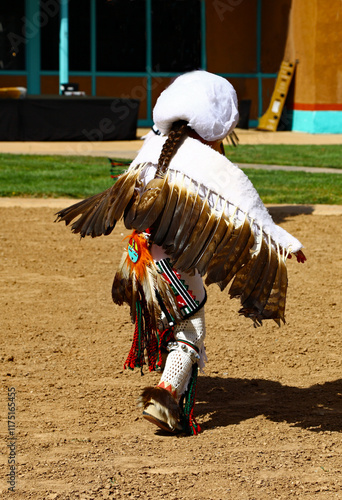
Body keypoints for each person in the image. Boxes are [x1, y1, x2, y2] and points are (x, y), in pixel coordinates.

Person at [56, 70, 306, 435]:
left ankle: (173, 396)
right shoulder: (212, 165)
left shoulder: (151, 148)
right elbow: (249, 212)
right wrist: (286, 243)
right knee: (191, 330)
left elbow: (121, 194)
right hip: (174, 264)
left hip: (137, 259)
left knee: (175, 325)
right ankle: (164, 395)